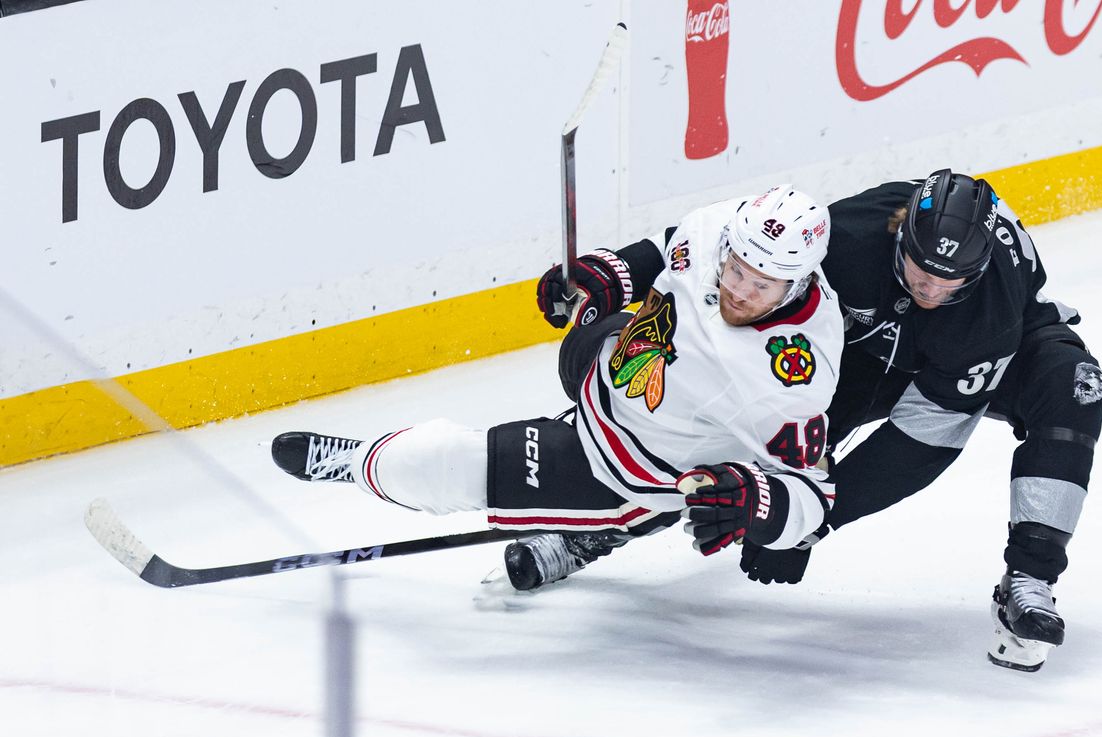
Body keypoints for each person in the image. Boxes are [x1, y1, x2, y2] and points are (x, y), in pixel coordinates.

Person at [270, 185, 845, 591]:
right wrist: (607, 272)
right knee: (584, 340)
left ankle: (355, 464)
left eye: (761, 285)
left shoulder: (791, 379)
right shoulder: (723, 227)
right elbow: (666, 249)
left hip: (627, 463)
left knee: (434, 463)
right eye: (736, 269)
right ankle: (594, 532)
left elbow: (815, 495)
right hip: (610, 374)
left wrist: (759, 508)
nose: (739, 290)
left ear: (798, 283)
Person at [743, 169, 1102, 672]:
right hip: (870, 348)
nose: (931, 289)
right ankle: (622, 512)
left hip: (988, 351)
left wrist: (813, 519)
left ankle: (1029, 580)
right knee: (755, 440)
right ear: (900, 236)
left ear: (978, 268)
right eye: (920, 271)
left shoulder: (991, 308)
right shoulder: (847, 236)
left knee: (1076, 386)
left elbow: (920, 442)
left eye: (949, 278)